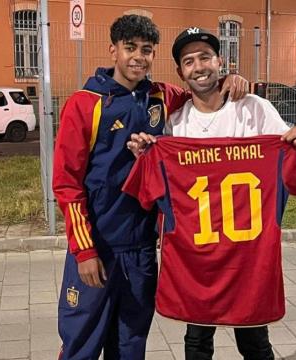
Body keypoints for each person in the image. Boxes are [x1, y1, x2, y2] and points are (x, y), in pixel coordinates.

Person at [52, 15, 249, 360]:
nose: (138, 57)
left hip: (142, 249)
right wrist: (84, 251)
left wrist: (232, 78)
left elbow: (200, 89)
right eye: (130, 48)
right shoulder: (84, 104)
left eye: (146, 50)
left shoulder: (161, 97)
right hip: (98, 247)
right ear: (113, 50)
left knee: (130, 344)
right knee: (80, 345)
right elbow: (67, 185)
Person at [127, 27, 296, 360]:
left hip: (247, 255)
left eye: (205, 57)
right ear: (180, 73)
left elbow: (287, 155)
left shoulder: (254, 107)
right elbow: (157, 181)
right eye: (189, 61)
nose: (198, 66)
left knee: (254, 341)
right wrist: (145, 155)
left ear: (221, 61)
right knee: (197, 339)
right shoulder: (175, 124)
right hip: (198, 257)